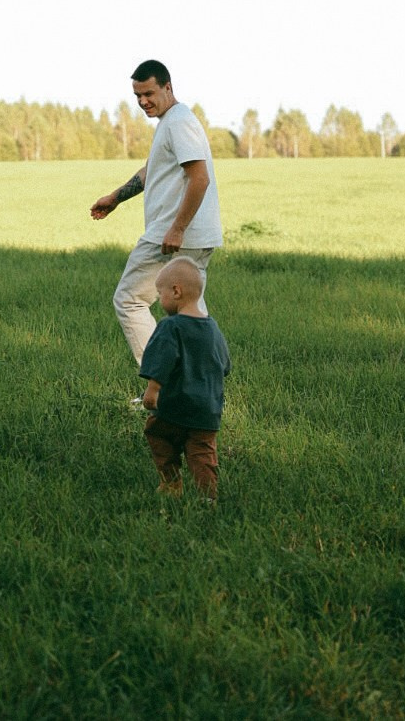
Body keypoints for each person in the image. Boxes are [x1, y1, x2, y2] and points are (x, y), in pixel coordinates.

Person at [90, 59, 222, 368]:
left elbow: (199, 178)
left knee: (129, 300)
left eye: (149, 93)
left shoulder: (178, 122)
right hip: (194, 237)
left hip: (172, 236)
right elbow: (152, 172)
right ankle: (200, 386)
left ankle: (161, 385)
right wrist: (116, 198)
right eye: (137, 96)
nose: (143, 102)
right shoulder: (173, 122)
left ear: (167, 87)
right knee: (191, 315)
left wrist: (177, 228)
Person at [138, 257, 230, 499]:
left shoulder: (171, 326)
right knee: (203, 453)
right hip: (208, 410)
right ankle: (207, 496)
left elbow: (161, 360)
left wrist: (153, 390)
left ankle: (171, 482)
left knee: (158, 435)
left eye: (161, 293)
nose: (160, 299)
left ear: (176, 291)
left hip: (175, 405)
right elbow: (224, 365)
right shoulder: (213, 328)